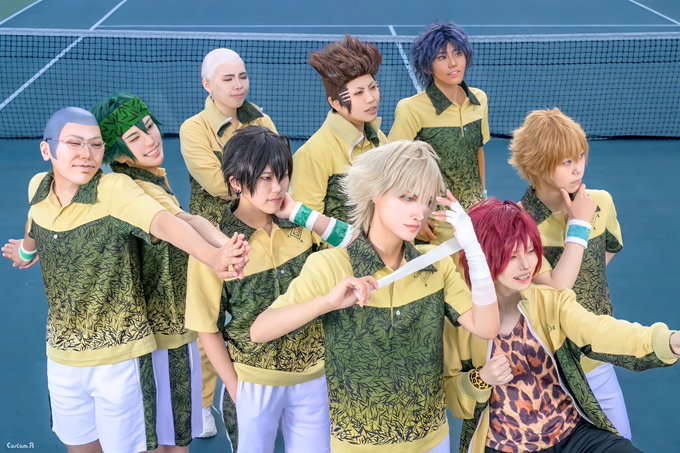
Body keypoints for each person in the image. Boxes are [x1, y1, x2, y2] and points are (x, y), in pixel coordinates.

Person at [1, 107, 246, 452]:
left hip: (120, 360)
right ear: (47, 149)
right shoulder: (38, 187)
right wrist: (26, 252)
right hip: (62, 359)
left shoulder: (115, 188)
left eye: (95, 144)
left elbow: (166, 223)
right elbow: (35, 220)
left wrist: (214, 256)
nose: (86, 154)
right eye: (74, 143)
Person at [251, 140, 500, 453]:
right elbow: (260, 330)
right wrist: (327, 303)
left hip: (433, 442)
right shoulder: (330, 266)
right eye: (407, 197)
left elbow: (487, 327)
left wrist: (473, 249)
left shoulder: (436, 265)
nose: (419, 212)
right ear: (375, 193)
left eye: (426, 201)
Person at [441, 198, 679, 453]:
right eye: (512, 256)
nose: (526, 265)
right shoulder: (463, 322)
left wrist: (669, 341)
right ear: (484, 257)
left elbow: (600, 331)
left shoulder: (549, 301)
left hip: (572, 435)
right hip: (506, 446)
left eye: (530, 251)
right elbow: (452, 397)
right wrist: (480, 379)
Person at [90, 93, 249, 451]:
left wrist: (227, 247)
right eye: (134, 138)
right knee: (171, 442)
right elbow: (182, 222)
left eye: (149, 127)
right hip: (163, 336)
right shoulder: (138, 187)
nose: (150, 140)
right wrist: (219, 254)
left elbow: (190, 220)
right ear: (118, 154)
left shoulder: (147, 178)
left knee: (168, 437)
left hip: (167, 331)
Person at [186, 126, 354, 453]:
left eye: (282, 176)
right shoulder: (217, 245)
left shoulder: (301, 225)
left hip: (314, 378)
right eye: (265, 178)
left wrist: (299, 212)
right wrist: (236, 389)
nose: (277, 188)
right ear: (236, 182)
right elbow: (206, 327)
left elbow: (357, 244)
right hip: (254, 383)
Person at [509, 108, 631, 438]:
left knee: (621, 442)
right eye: (566, 162)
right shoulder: (520, 223)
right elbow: (557, 287)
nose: (578, 168)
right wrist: (578, 226)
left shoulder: (601, 202)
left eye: (580, 157)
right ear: (538, 164)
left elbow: (608, 251)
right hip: (548, 366)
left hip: (596, 356)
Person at [179, 47, 277, 436]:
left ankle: (268, 391)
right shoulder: (193, 129)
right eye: (228, 79)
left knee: (262, 313)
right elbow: (218, 183)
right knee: (209, 327)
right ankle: (204, 404)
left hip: (259, 232)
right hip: (211, 240)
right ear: (207, 85)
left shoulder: (261, 119)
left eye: (242, 76)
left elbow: (275, 170)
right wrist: (262, 181)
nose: (238, 85)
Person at [389, 22, 489, 244]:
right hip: (436, 223)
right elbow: (391, 168)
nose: (453, 63)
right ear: (427, 67)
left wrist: (482, 196)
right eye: (442, 57)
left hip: (475, 219)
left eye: (458, 53)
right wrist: (411, 215)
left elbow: (478, 151)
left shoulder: (479, 100)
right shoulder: (411, 109)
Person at [290, 36, 387, 224]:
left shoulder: (379, 139)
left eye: (373, 87)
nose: (370, 98)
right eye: (358, 93)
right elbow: (305, 223)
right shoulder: (312, 154)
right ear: (334, 103)